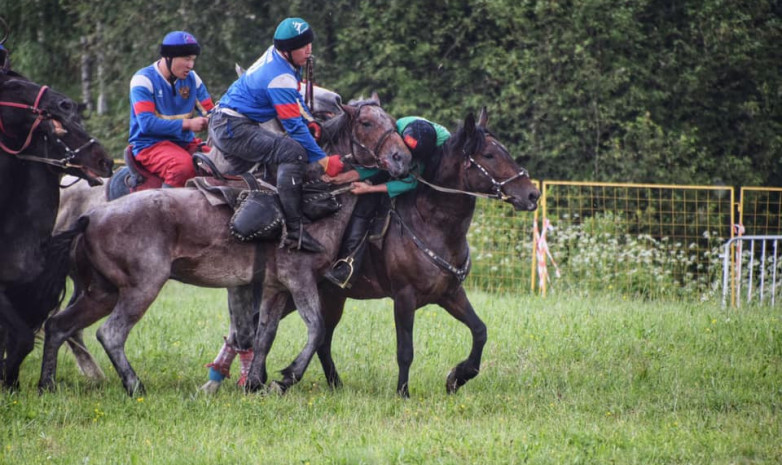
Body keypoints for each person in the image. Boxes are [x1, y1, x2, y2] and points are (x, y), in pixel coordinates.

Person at [209, 17, 343, 254]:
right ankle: (295, 231)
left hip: (230, 122)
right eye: (303, 46)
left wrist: (310, 121)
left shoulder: (281, 58)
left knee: (269, 175)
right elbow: (292, 126)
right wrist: (323, 160)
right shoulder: (278, 76)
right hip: (233, 127)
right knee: (294, 152)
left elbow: (294, 97)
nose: (309, 49)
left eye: (310, 43)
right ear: (287, 51)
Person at [323, 117, 450, 288]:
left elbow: (410, 182)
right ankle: (348, 262)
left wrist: (370, 189)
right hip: (394, 156)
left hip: (423, 171)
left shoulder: (441, 144)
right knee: (366, 203)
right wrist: (344, 177)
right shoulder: (394, 127)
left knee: (369, 201)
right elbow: (376, 166)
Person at [128, 31, 214, 188]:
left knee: (222, 164)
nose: (191, 65)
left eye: (193, 60)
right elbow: (147, 124)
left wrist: (213, 119)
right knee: (182, 168)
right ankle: (165, 212)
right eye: (186, 59)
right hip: (150, 145)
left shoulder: (193, 79)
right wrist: (188, 124)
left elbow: (212, 112)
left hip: (185, 143)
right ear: (168, 57)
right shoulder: (143, 80)